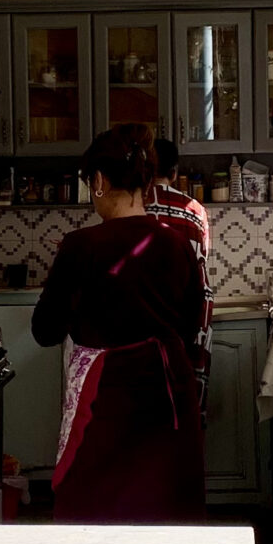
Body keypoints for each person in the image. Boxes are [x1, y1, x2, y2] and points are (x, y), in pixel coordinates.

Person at [33, 124, 208, 522]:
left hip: (107, 399)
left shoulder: (80, 246)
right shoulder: (177, 244)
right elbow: (189, 322)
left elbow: (45, 331)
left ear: (97, 181)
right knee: (166, 509)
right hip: (169, 392)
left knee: (96, 513)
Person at [141, 131, 212, 373]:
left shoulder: (131, 205)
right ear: (174, 173)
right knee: (185, 398)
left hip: (142, 322)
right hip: (187, 320)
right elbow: (203, 257)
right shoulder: (195, 210)